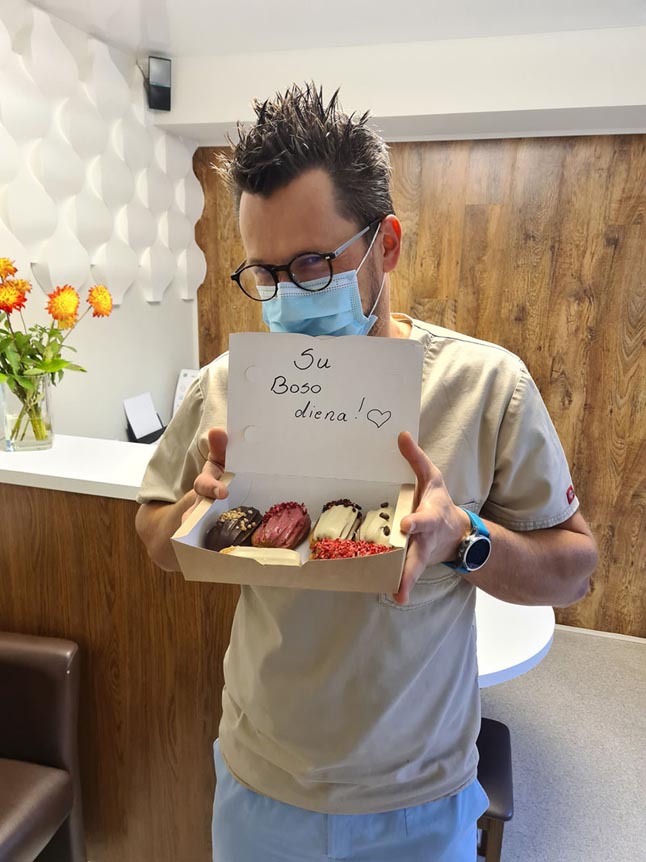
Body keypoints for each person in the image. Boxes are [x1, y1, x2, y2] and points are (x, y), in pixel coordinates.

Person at [135, 83, 598, 862]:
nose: (286, 296)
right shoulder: (227, 388)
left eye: (313, 263)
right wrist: (196, 510)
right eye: (265, 274)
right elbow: (153, 536)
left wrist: (465, 538)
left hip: (417, 801)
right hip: (260, 786)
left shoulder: (485, 387)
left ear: (386, 246)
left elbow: (574, 570)